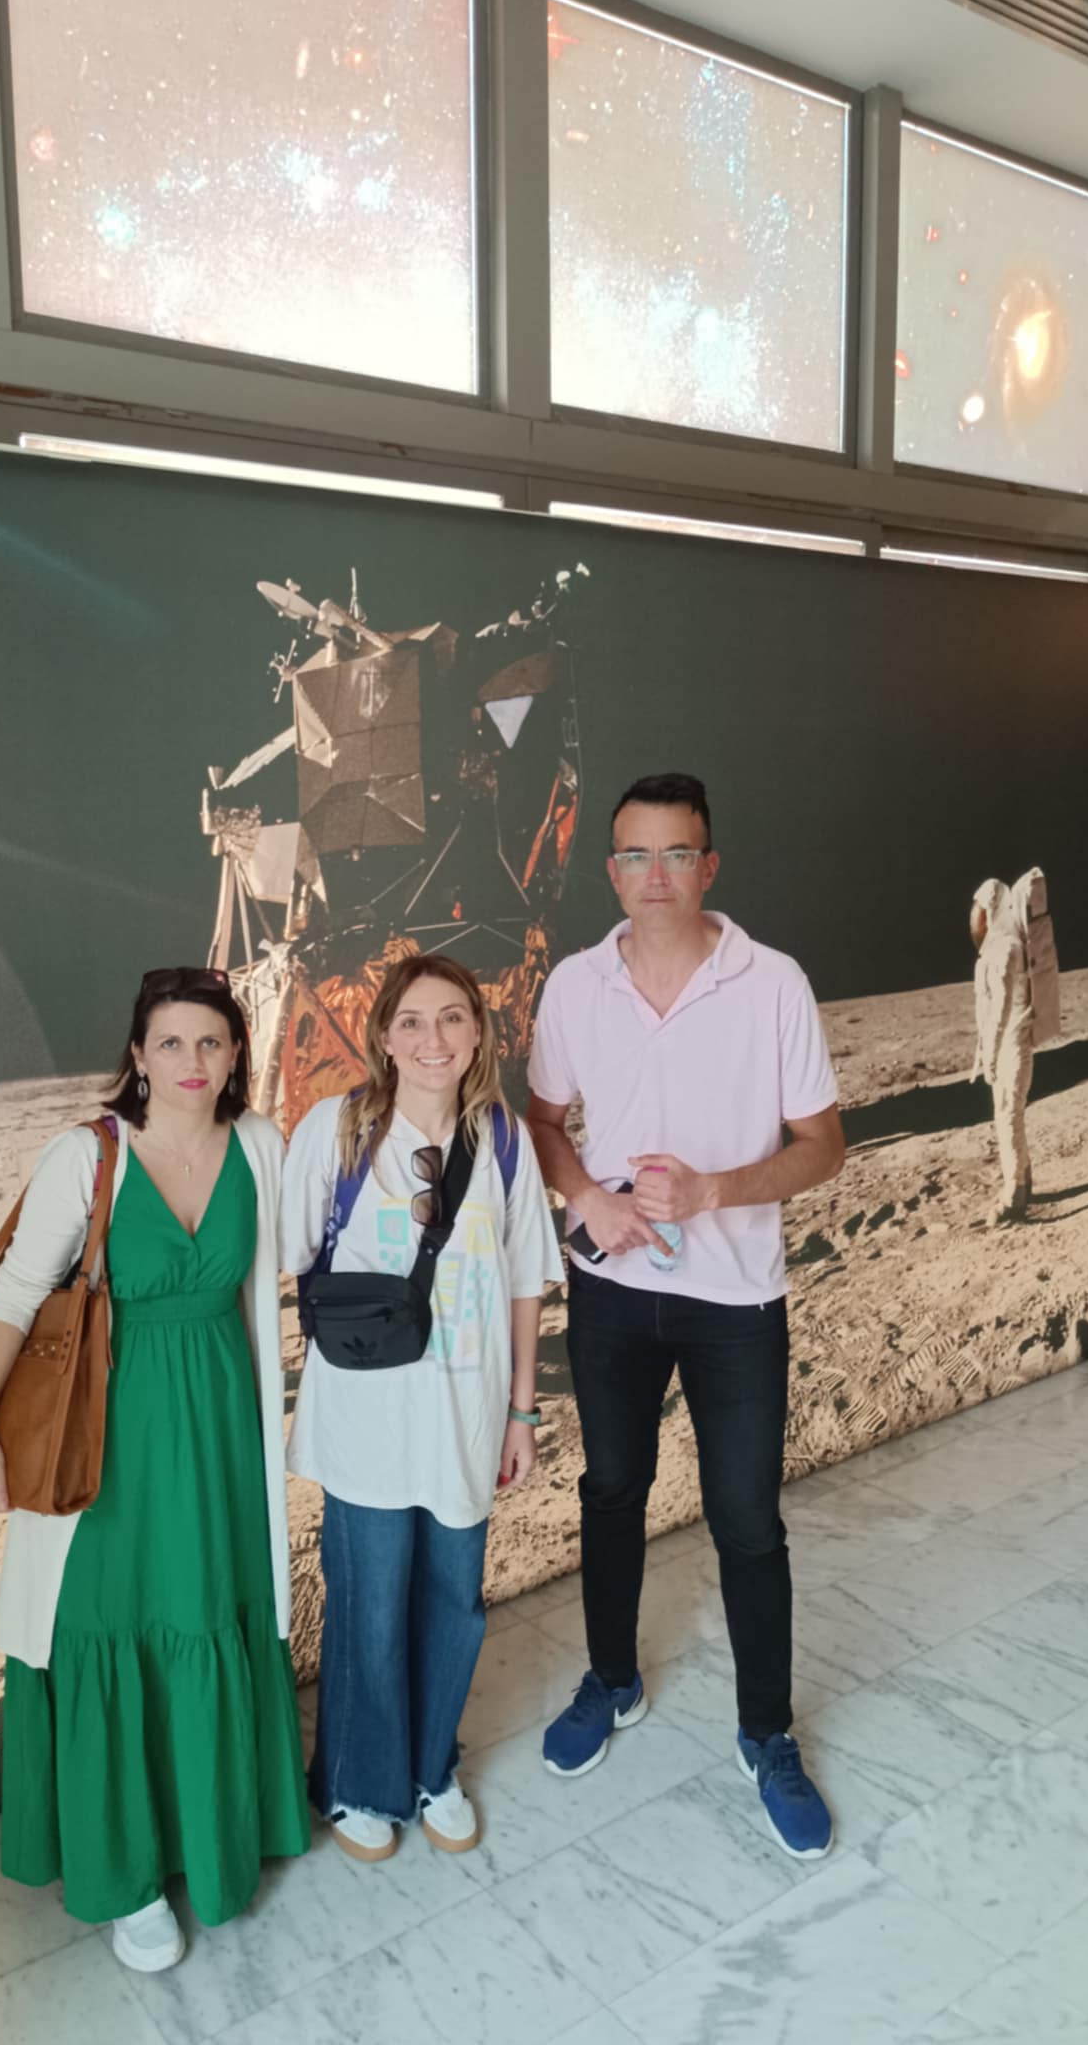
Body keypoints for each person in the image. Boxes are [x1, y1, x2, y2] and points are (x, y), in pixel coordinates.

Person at [0, 967, 308, 1973]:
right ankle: (125, 1877)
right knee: (104, 1621)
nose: (193, 1060)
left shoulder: (261, 1144)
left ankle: (212, 1836)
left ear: (236, 1053)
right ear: (138, 1055)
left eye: (212, 1041)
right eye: (171, 1042)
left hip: (222, 1429)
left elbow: (306, 1258)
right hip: (107, 1434)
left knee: (208, 1612)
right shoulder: (87, 1154)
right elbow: (17, 1293)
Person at [526, 773, 845, 1862]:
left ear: (709, 866)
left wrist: (714, 1190)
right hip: (612, 1293)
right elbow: (542, 1120)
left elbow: (823, 1146)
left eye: (676, 854)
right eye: (634, 855)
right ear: (610, 871)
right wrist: (589, 1199)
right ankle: (610, 1679)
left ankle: (767, 1735)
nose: (654, 876)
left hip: (736, 1301)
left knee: (747, 1518)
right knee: (612, 1488)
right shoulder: (574, 986)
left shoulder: (773, 982)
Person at [283, 952, 563, 1863]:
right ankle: (358, 1782)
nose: (431, 1038)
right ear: (384, 1036)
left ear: (478, 1033)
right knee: (369, 1607)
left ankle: (432, 1766)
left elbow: (525, 1280)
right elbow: (291, 1255)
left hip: (465, 1419)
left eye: (451, 1018)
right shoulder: (337, 1130)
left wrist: (521, 1414)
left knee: (454, 1603)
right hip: (365, 1419)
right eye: (411, 1020)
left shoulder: (504, 1139)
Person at [969, 872, 1056, 1224]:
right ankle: (1023, 1181)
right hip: (1007, 1047)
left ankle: (1014, 1196)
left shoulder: (1005, 950)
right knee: (1008, 1116)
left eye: (980, 912)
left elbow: (1001, 1010)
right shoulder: (1003, 948)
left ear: (992, 911)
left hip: (1011, 1048)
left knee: (1008, 1117)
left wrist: (989, 1056)